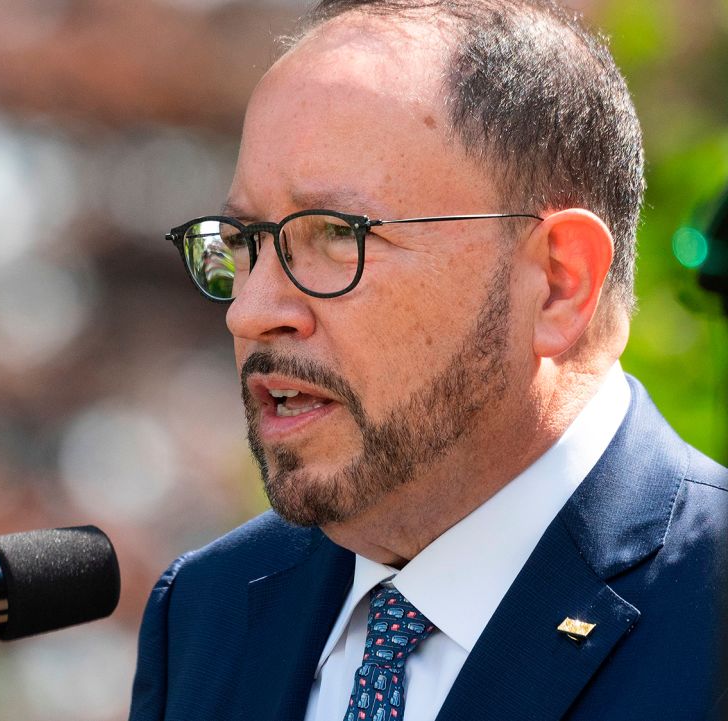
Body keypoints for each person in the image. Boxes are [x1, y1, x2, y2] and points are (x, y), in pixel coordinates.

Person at [128, 1, 728, 719]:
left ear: (559, 283)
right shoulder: (207, 609)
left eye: (335, 236)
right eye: (248, 240)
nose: (250, 311)